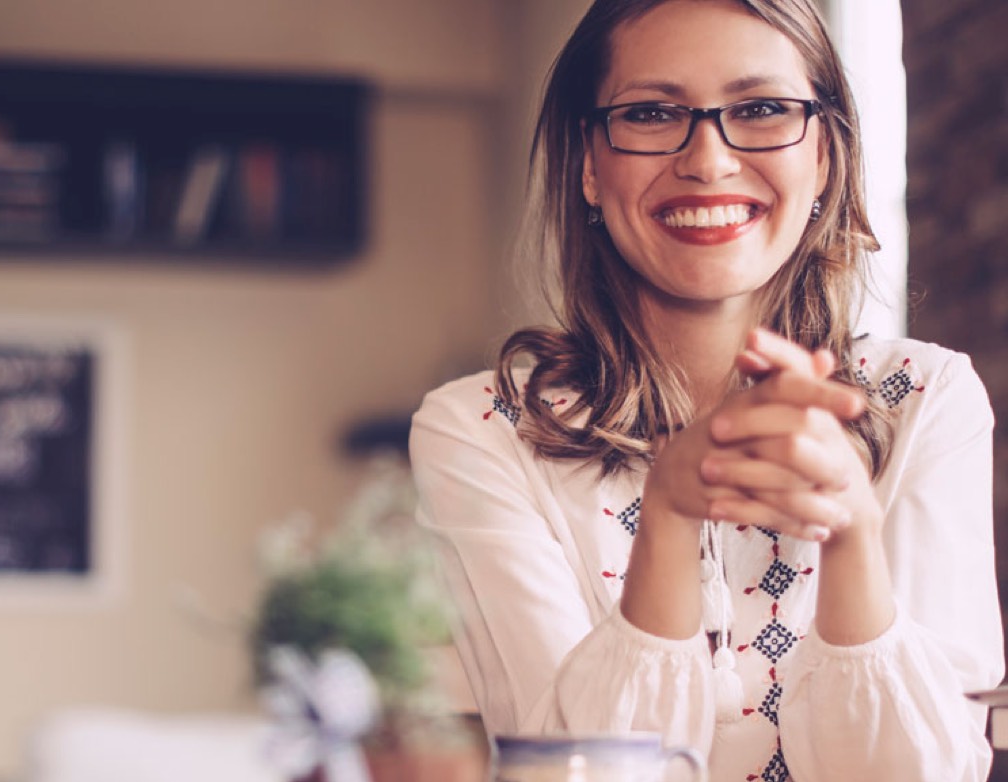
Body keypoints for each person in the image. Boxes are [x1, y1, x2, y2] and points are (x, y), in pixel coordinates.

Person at [408, 0, 1004, 780]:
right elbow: (565, 773)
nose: (708, 159)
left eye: (760, 109)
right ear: (589, 163)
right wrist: (668, 518)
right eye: (652, 113)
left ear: (823, 155)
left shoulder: (928, 397)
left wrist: (852, 530)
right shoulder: (482, 428)